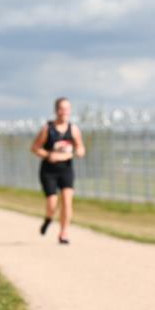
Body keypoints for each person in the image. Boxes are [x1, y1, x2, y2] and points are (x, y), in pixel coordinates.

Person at [30, 97, 86, 244]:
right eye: (61, 109)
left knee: (67, 201)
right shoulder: (47, 129)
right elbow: (35, 148)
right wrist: (49, 155)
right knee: (52, 205)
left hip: (66, 169)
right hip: (49, 170)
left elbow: (81, 147)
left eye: (67, 109)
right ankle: (48, 218)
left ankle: (63, 233)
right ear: (56, 110)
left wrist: (78, 152)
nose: (64, 112)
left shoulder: (73, 129)